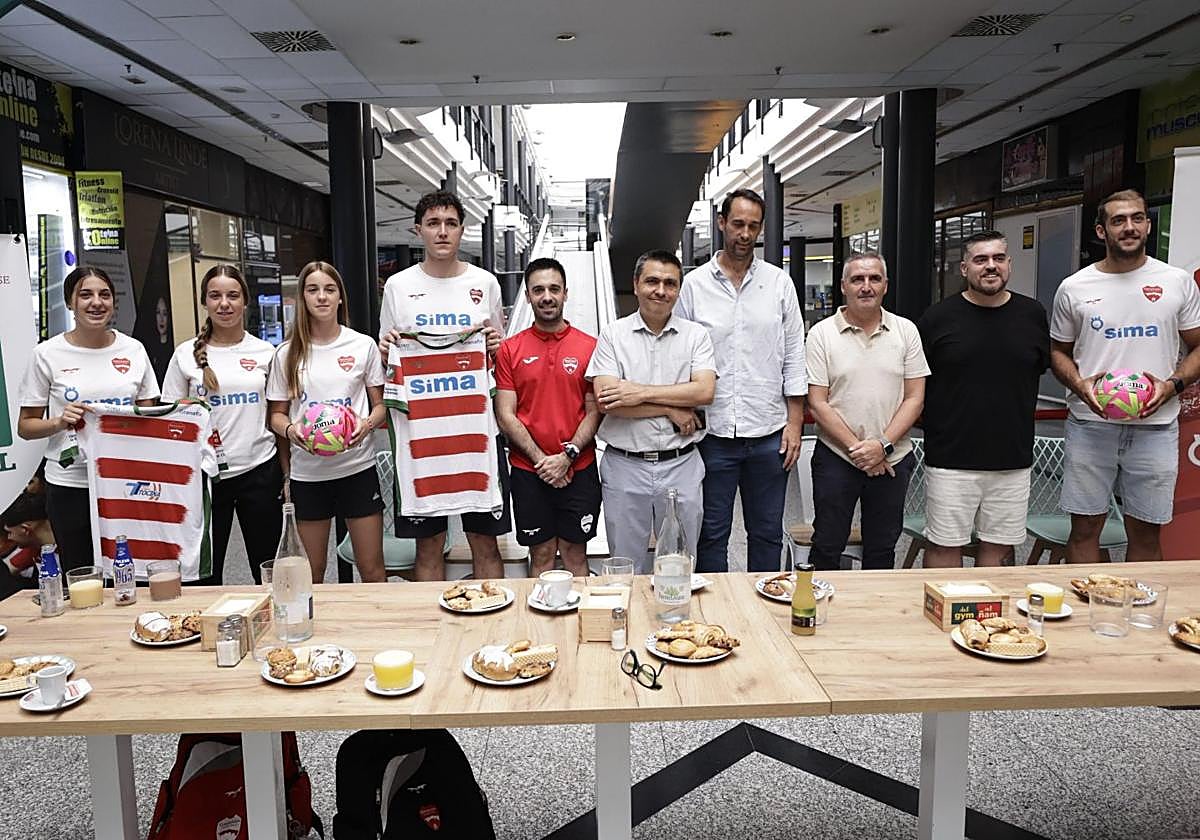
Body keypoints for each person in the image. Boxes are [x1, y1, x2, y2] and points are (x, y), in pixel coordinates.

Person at [1050, 189, 1200, 563]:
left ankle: (1139, 617)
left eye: (1136, 218)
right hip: (1090, 424)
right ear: (1102, 231)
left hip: (1157, 425)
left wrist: (1172, 386)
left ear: (1149, 225)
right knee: (1085, 529)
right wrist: (1081, 386)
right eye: (1118, 220)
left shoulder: (1176, 282)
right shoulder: (1075, 287)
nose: (1129, 227)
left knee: (1147, 532)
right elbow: (1057, 352)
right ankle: (1085, 616)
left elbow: (1198, 346)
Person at [378, 190, 510, 581]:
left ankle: (494, 628)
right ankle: (430, 630)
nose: (442, 232)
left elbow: (499, 355)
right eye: (433, 224)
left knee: (483, 542)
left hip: (475, 436)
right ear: (418, 230)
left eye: (450, 224)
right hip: (424, 435)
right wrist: (387, 347)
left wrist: (493, 346)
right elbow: (388, 354)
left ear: (462, 231)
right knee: (429, 544)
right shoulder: (398, 287)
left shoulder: (484, 283)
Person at [676, 188, 807, 573]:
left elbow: (794, 354)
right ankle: (717, 614)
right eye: (737, 224)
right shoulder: (694, 285)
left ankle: (762, 612)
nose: (744, 234)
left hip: (769, 433)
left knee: (766, 531)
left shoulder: (779, 283)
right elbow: (680, 355)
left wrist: (795, 423)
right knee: (712, 532)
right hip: (711, 434)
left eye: (753, 226)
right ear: (721, 224)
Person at [918, 231, 1049, 568]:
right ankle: (945, 619)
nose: (991, 266)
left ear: (1009, 264)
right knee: (944, 546)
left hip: (1012, 460)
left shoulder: (1032, 314)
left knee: (1000, 549)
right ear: (964, 268)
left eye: (998, 258)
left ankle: (990, 621)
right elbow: (915, 388)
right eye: (980, 259)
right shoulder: (937, 319)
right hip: (950, 459)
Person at [17, 266, 160, 571]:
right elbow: (25, 427)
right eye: (85, 295)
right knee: (81, 572)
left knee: (131, 568)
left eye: (104, 294)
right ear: (70, 302)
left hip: (126, 480)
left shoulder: (134, 350)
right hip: (71, 483)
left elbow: (150, 417)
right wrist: (58, 421)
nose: (96, 302)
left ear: (113, 301)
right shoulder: (47, 354)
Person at [586, 250, 716, 573]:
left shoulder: (695, 336)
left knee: (681, 564)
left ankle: (680, 625)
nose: (661, 290)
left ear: (679, 289)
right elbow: (607, 401)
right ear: (636, 284)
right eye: (652, 281)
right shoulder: (612, 336)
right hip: (625, 467)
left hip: (681, 465)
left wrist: (638, 392)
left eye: (670, 283)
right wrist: (672, 408)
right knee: (625, 566)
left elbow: (704, 391)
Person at [805, 252, 928, 571]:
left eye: (874, 278)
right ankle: (821, 612)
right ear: (844, 286)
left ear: (886, 285)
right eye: (857, 279)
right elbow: (817, 402)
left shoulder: (906, 331)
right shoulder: (821, 334)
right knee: (828, 543)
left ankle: (875, 615)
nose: (866, 286)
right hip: (837, 456)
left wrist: (881, 446)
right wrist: (860, 451)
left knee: (883, 546)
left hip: (893, 457)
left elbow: (915, 398)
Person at [266, 261, 387, 583]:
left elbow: (380, 407)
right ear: (302, 297)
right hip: (309, 476)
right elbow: (275, 416)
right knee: (312, 572)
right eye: (313, 289)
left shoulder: (362, 346)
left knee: (372, 567)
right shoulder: (287, 353)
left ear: (340, 298)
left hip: (357, 469)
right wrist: (292, 431)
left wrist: (366, 426)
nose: (321, 297)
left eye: (329, 289)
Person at [162, 265, 283, 585]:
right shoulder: (184, 355)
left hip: (259, 471)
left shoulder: (265, 352)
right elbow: (169, 420)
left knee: (268, 566)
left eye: (233, 295)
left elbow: (277, 414)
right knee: (205, 574)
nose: (224, 304)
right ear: (204, 302)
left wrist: (286, 474)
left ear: (245, 302)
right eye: (215, 296)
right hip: (204, 477)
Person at [495, 258, 601, 577]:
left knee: (574, 553)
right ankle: (539, 627)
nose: (547, 297)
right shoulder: (510, 349)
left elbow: (595, 410)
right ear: (527, 296)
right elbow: (505, 414)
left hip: (578, 468)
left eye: (554, 289)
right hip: (529, 470)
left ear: (566, 293)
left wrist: (566, 458)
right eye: (538, 290)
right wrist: (545, 462)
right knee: (540, 554)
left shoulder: (590, 346)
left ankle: (581, 625)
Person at [0, 492, 52, 600]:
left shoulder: (72, 550)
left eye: (9, 532)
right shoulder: (33, 550)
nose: (9, 538)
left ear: (25, 529)